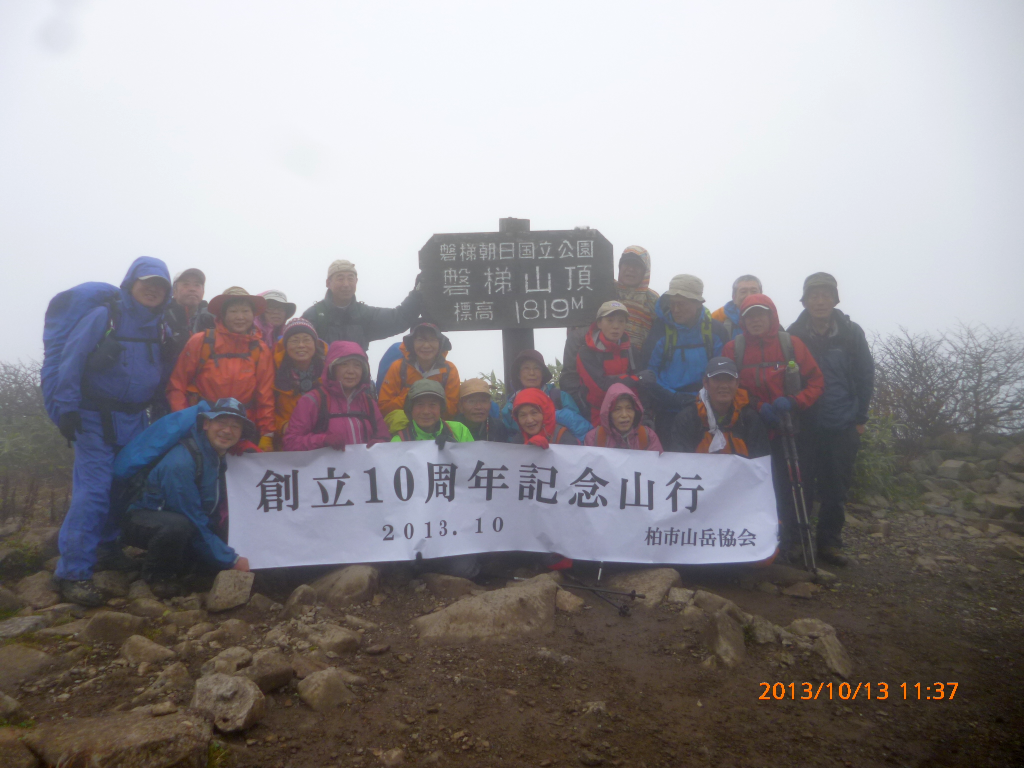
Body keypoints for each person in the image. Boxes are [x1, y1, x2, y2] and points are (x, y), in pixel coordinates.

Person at [50, 257, 173, 606]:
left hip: (134, 420)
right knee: (93, 491)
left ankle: (107, 547)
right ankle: (72, 571)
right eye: (146, 282)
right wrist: (67, 409)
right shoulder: (104, 317)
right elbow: (70, 361)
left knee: (124, 486)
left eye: (160, 285)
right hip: (93, 419)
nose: (153, 290)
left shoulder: (159, 327)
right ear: (130, 284)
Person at [722, 293, 825, 558]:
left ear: (771, 316)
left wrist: (794, 401)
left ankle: (796, 537)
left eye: (761, 314)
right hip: (753, 425)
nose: (756, 320)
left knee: (795, 481)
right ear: (743, 320)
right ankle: (766, 537)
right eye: (750, 316)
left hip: (790, 424)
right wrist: (756, 405)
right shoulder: (735, 348)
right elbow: (729, 387)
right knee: (761, 483)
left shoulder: (791, 344)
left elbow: (816, 382)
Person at [122, 398, 253, 597]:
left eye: (235, 426)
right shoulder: (182, 462)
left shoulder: (217, 456)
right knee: (178, 526)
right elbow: (190, 515)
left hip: (183, 519)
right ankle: (157, 577)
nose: (228, 431)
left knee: (196, 539)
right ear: (206, 424)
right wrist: (231, 560)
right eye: (221, 423)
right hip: (141, 519)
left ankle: (184, 565)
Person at [787, 273, 874, 566]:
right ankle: (798, 541)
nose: (820, 301)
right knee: (801, 486)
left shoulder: (851, 333)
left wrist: (860, 418)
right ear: (805, 300)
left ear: (835, 299)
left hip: (842, 422)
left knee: (836, 487)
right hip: (805, 423)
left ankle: (830, 543)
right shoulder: (793, 334)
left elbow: (865, 376)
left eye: (825, 295)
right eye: (814, 295)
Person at [166, 286, 275, 439]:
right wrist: (185, 423)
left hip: (241, 429)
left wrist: (267, 433)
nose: (240, 317)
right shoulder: (201, 341)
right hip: (202, 424)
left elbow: (265, 397)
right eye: (233, 311)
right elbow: (177, 386)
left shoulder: (260, 350)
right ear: (222, 315)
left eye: (245, 311)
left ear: (253, 315)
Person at [561, 245, 659, 408]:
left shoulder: (653, 301)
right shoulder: (603, 289)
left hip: (635, 366)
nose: (630, 270)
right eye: (626, 264)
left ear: (646, 270)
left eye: (637, 266)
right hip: (597, 366)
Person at [639, 275, 729, 444]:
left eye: (681, 304)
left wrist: (704, 399)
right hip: (668, 409)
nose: (675, 309)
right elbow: (649, 373)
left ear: (697, 304)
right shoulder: (660, 330)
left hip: (707, 408)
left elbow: (722, 373)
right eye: (673, 303)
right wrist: (674, 398)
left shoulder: (715, 331)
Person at [284, 341, 391, 450]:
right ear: (332, 368)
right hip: (325, 467)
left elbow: (384, 437)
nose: (351, 371)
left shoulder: (369, 403)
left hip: (364, 467)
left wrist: (380, 443)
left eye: (357, 365)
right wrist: (322, 440)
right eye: (344, 364)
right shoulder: (312, 400)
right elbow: (290, 442)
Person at [302, 259, 422, 349]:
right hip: (322, 381)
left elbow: (399, 318)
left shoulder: (364, 315)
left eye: (350, 278)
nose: (346, 284)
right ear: (328, 283)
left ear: (356, 281)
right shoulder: (313, 316)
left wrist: (418, 292)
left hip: (358, 381)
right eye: (340, 278)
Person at [672, 357, 770, 457]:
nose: (724, 385)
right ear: (706, 383)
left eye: (729, 379)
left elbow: (760, 463)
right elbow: (681, 463)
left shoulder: (749, 419)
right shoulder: (688, 418)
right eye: (717, 379)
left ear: (737, 383)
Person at [378, 323, 460, 432]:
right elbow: (384, 408)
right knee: (398, 418)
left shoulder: (449, 370)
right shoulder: (398, 367)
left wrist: (430, 402)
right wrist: (411, 395)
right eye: (420, 340)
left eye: (432, 340)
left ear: (440, 343)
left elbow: (452, 411)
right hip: (403, 428)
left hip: (437, 426)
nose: (426, 345)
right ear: (412, 343)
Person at [263, 318, 328, 451]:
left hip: (324, 441)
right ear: (286, 346)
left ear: (315, 344)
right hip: (286, 442)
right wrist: (282, 425)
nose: (301, 345)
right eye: (294, 340)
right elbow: (266, 405)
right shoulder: (274, 370)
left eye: (306, 340)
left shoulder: (329, 371)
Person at [501, 350, 591, 441]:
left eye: (536, 368)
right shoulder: (509, 407)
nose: (532, 373)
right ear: (518, 375)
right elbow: (509, 442)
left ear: (542, 374)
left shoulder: (559, 397)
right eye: (526, 368)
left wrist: (554, 415)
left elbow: (582, 431)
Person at [576, 301, 641, 424]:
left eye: (621, 321)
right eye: (610, 320)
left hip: (628, 415)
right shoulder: (586, 352)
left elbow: (642, 387)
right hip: (598, 414)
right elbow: (600, 388)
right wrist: (635, 379)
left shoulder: (631, 350)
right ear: (599, 323)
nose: (616, 326)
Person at [391, 378, 474, 444]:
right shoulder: (399, 441)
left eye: (432, 405)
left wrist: (456, 448)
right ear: (410, 408)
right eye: (420, 404)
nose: (426, 411)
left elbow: (472, 460)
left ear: (441, 408)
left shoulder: (459, 430)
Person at [583, 383, 663, 451]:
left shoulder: (648, 436)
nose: (624, 415)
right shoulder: (594, 438)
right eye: (617, 409)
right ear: (608, 414)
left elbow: (657, 467)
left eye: (629, 408)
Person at [165, 268, 215, 361]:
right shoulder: (162, 317)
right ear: (174, 292)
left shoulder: (212, 319)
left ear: (203, 292)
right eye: (186, 284)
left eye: (197, 285)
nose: (192, 289)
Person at [508, 388, 581, 447]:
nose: (529, 420)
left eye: (534, 413)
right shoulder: (518, 441)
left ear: (545, 413)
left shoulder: (563, 437)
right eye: (522, 415)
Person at [456, 378, 508, 442]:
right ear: (461, 406)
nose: (478, 407)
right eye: (471, 401)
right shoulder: (450, 430)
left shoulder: (499, 428)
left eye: (483, 401)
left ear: (490, 404)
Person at [711, 275, 762, 340]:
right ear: (734, 298)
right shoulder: (718, 321)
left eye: (754, 291)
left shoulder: (771, 321)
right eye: (743, 292)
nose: (749, 296)